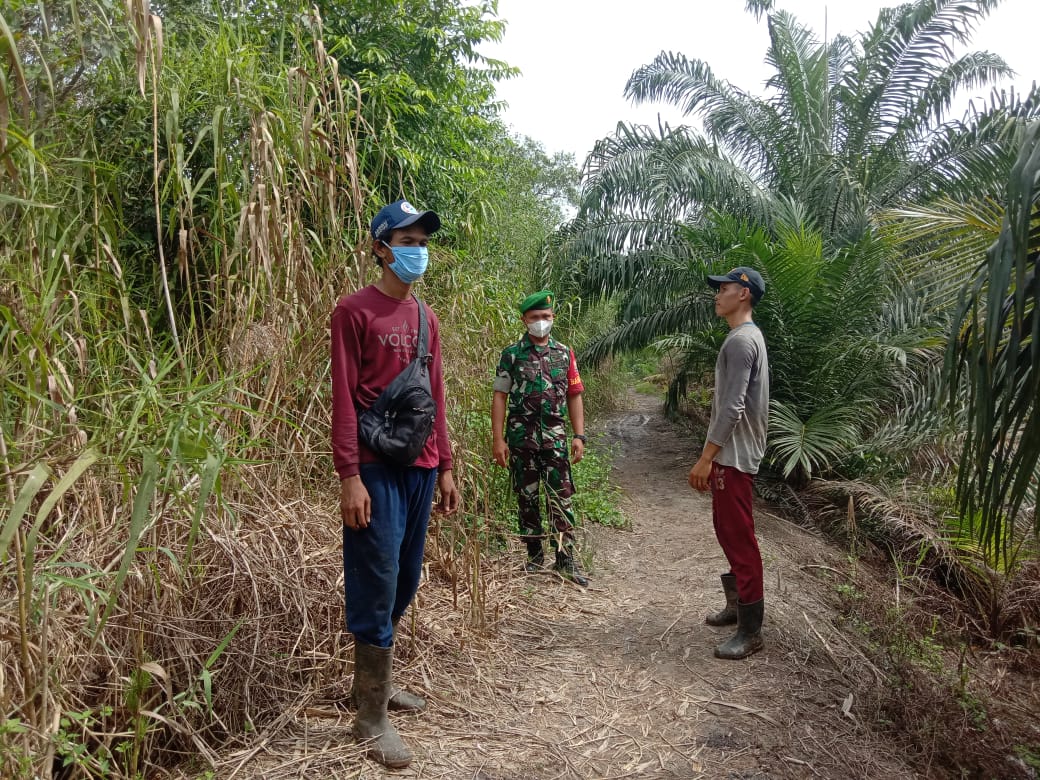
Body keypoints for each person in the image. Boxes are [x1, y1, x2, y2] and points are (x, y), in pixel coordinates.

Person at [330, 198, 461, 768]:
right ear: (381, 249)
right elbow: (342, 396)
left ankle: (376, 687)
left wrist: (446, 465)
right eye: (407, 242)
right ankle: (369, 718)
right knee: (376, 580)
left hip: (421, 466)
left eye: (422, 243)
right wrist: (349, 475)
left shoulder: (426, 318)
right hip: (375, 467)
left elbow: (435, 396)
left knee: (405, 577)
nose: (417, 252)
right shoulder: (353, 311)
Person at [688, 267, 769, 660]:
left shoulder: (741, 341)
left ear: (744, 294)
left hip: (734, 455)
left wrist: (707, 457)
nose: (717, 295)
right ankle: (737, 606)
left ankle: (751, 632)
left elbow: (734, 407)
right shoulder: (743, 337)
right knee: (727, 529)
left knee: (739, 537)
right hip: (732, 453)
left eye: (724, 288)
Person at [492, 290, 589, 587]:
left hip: (555, 439)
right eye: (535, 317)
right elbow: (500, 397)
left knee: (561, 497)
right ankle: (534, 555)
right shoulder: (512, 355)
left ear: (553, 318)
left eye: (545, 316)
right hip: (522, 440)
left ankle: (565, 558)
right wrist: (498, 440)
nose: (541, 321)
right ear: (524, 320)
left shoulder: (564, 353)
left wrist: (579, 435)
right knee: (527, 497)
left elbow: (575, 395)